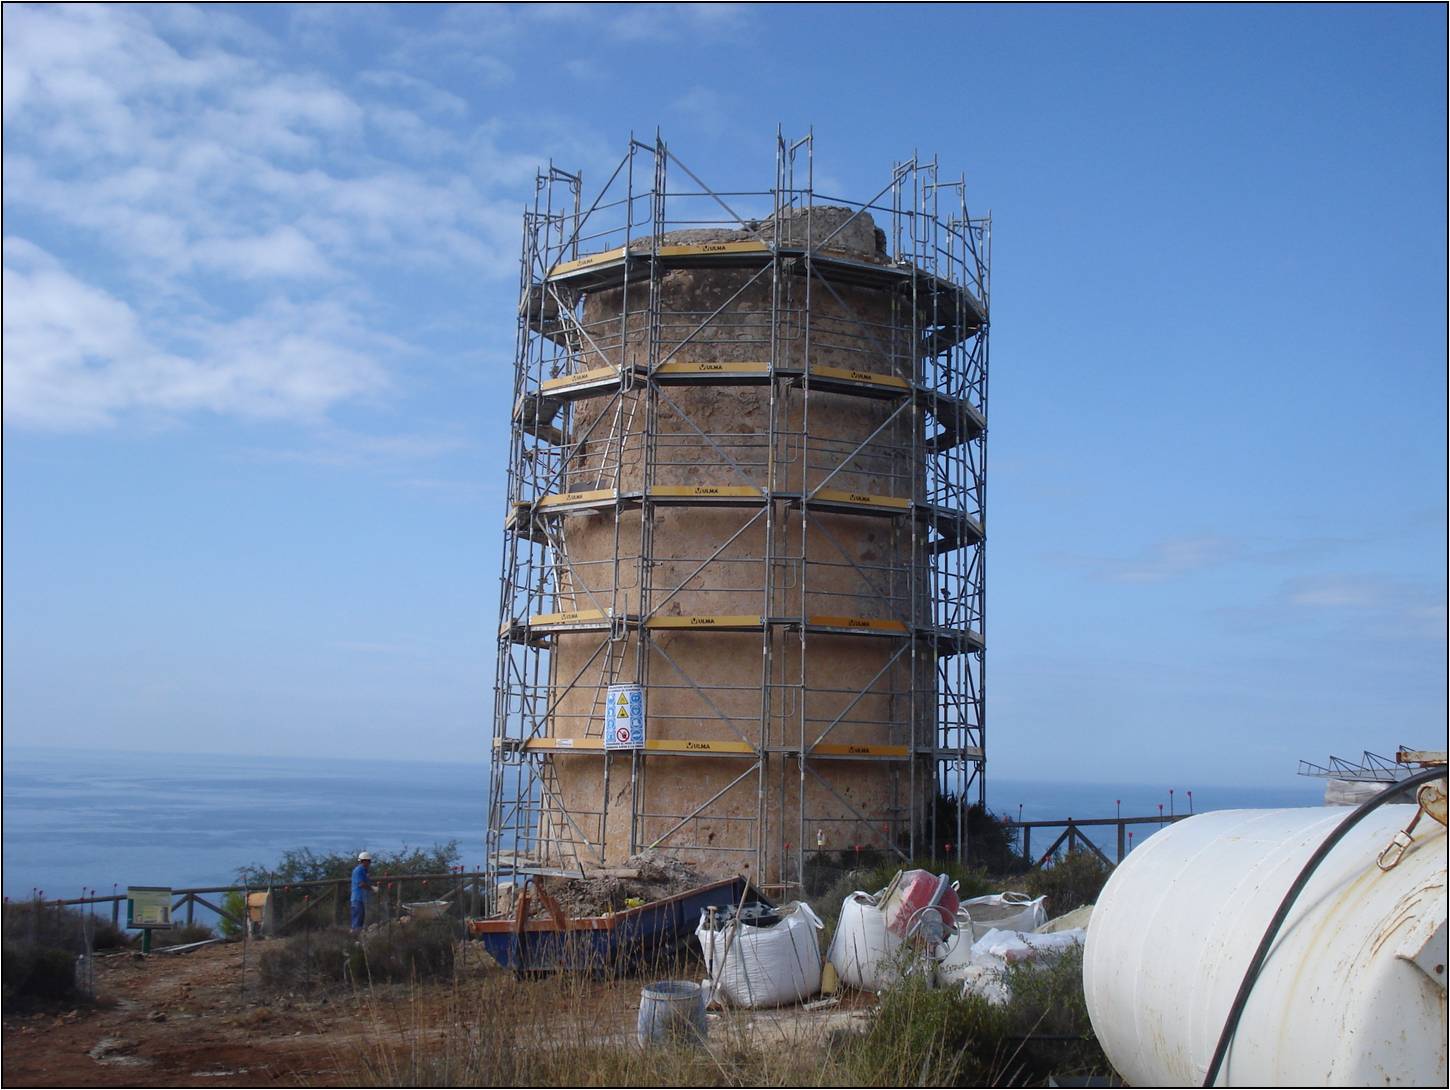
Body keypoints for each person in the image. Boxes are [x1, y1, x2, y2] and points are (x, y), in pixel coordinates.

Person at [350, 851, 378, 931]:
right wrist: (372, 888)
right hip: (357, 899)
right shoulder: (359, 870)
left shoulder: (364, 871)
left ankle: (356, 938)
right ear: (364, 861)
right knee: (357, 921)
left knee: (360, 920)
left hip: (361, 899)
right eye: (368, 861)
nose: (369, 863)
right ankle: (354, 938)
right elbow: (361, 884)